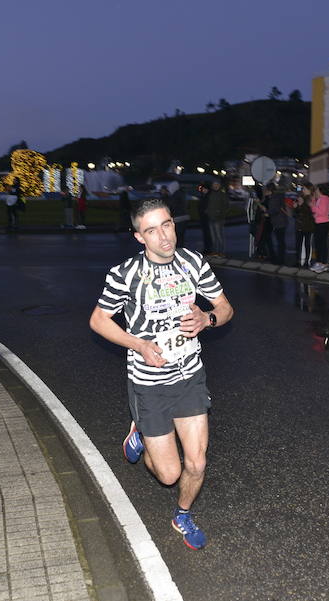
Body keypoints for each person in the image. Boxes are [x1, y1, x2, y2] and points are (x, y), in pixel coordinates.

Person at [89, 198, 233, 551]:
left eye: (166, 224)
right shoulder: (125, 275)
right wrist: (138, 345)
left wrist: (208, 319)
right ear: (139, 237)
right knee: (169, 474)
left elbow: (225, 308)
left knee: (196, 463)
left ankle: (182, 515)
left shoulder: (194, 263)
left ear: (174, 223)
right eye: (151, 230)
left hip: (190, 376)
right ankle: (139, 430)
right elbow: (98, 321)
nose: (163, 236)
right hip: (149, 384)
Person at [265, 183, 290, 265]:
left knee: (280, 241)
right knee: (281, 241)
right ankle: (281, 258)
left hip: (278, 222)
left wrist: (268, 213)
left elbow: (274, 209)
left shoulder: (274, 198)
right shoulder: (278, 196)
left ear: (269, 190)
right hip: (282, 221)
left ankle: (280, 259)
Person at [310, 183, 329, 272]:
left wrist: (313, 207)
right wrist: (313, 202)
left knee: (322, 244)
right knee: (318, 243)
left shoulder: (324, 199)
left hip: (323, 224)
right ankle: (319, 262)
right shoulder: (319, 199)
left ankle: (323, 263)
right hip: (319, 223)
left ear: (320, 190)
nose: (315, 191)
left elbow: (322, 211)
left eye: (317, 189)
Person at [292, 185, 315, 268]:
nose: (303, 190)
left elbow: (311, 212)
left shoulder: (311, 199)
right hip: (299, 225)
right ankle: (298, 261)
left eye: (305, 188)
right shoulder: (300, 198)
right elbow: (295, 214)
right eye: (303, 189)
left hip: (308, 225)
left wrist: (302, 205)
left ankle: (306, 262)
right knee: (298, 244)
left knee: (307, 244)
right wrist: (296, 207)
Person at [204, 180, 229, 256]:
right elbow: (207, 203)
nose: (215, 186)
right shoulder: (210, 194)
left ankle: (221, 252)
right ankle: (214, 251)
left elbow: (226, 206)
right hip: (211, 217)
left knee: (219, 236)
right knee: (213, 236)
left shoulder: (222, 194)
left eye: (217, 185)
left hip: (218, 218)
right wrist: (207, 211)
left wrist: (220, 214)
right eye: (214, 185)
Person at [196, 182, 212, 253]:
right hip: (203, 217)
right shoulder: (204, 196)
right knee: (206, 234)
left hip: (207, 217)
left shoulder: (208, 196)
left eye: (204, 189)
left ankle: (209, 249)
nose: (203, 190)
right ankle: (207, 248)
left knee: (208, 234)